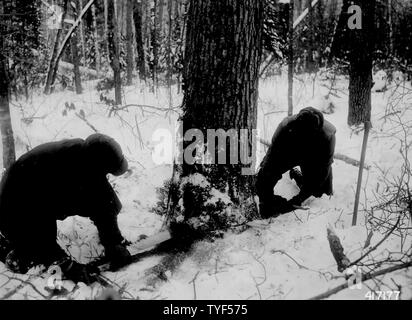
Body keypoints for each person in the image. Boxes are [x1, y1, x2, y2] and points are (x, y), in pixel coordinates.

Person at [0, 133, 131, 283]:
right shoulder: (57, 171)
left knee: (101, 195)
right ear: (97, 165)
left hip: (39, 198)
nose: (105, 176)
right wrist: (61, 262)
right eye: (106, 171)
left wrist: (113, 242)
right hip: (14, 207)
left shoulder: (85, 159)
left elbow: (103, 199)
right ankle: (15, 250)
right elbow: (39, 216)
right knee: (31, 253)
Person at [256, 107, 336, 218]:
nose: (305, 138)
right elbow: (271, 160)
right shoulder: (285, 127)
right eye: (302, 133)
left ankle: (300, 178)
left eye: (308, 136)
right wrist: (266, 198)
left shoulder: (328, 137)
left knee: (320, 195)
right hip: (289, 152)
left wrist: (296, 201)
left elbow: (321, 174)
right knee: (262, 182)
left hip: (313, 159)